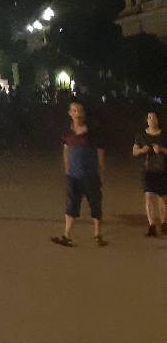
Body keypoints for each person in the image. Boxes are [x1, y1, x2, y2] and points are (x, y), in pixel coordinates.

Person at [52, 101, 106, 247]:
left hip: (90, 175)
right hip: (73, 176)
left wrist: (101, 171)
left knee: (95, 204)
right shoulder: (67, 132)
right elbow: (66, 150)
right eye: (74, 111)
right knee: (71, 205)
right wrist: (67, 169)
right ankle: (66, 235)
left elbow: (100, 151)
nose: (77, 113)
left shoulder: (92, 132)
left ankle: (97, 234)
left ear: (84, 113)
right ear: (70, 113)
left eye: (80, 110)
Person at [132, 110, 167, 237]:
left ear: (158, 120)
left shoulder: (164, 135)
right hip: (147, 171)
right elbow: (134, 152)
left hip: (163, 170)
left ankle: (164, 223)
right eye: (149, 117)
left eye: (154, 117)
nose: (152, 119)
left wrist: (162, 149)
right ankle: (152, 224)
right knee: (149, 197)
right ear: (146, 120)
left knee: (163, 199)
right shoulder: (141, 135)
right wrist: (142, 150)